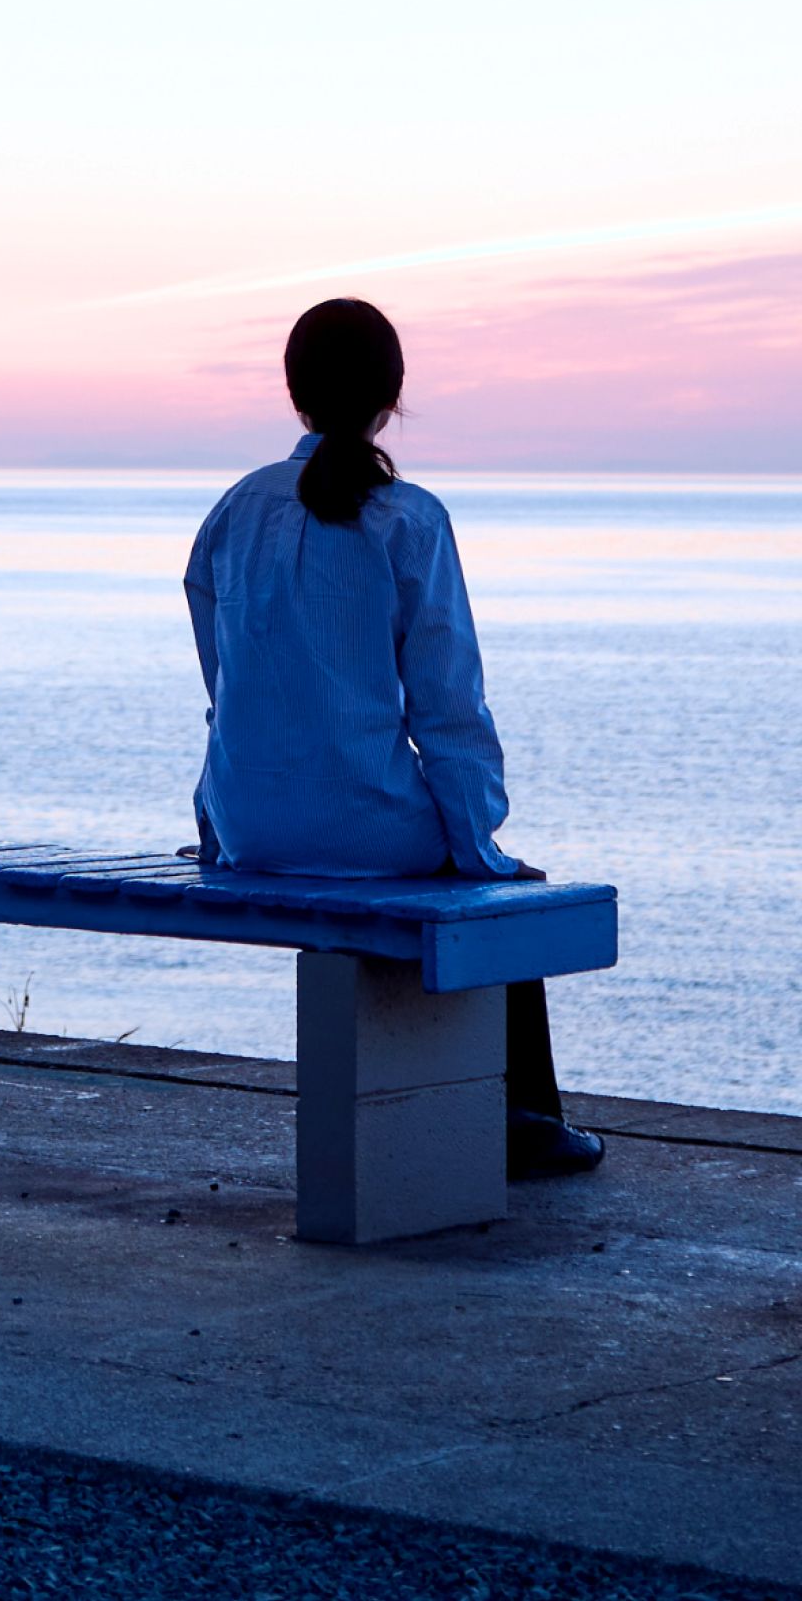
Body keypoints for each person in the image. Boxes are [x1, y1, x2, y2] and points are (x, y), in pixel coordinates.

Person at [184, 296, 602, 1181]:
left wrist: (221, 826)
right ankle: (521, 1121)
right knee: (495, 895)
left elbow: (228, 692)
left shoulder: (233, 512)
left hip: (253, 826)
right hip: (364, 832)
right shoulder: (408, 519)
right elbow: (449, 709)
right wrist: (479, 843)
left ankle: (486, 1108)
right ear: (392, 397)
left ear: (294, 396)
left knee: (465, 867)